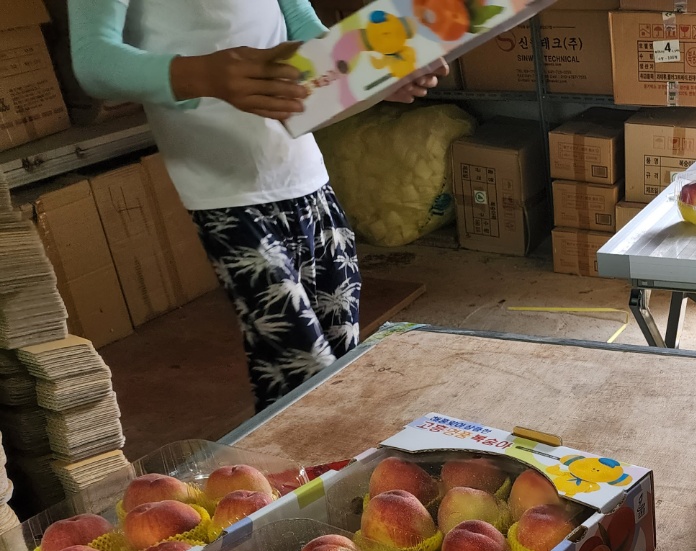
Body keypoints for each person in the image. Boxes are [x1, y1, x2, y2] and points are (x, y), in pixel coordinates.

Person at [69, 0, 441, 410]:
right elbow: (93, 61)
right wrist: (206, 73)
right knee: (307, 370)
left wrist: (377, 75)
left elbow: (307, 33)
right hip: (227, 194)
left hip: (305, 176)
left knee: (338, 355)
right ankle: (303, 465)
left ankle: (286, 470)